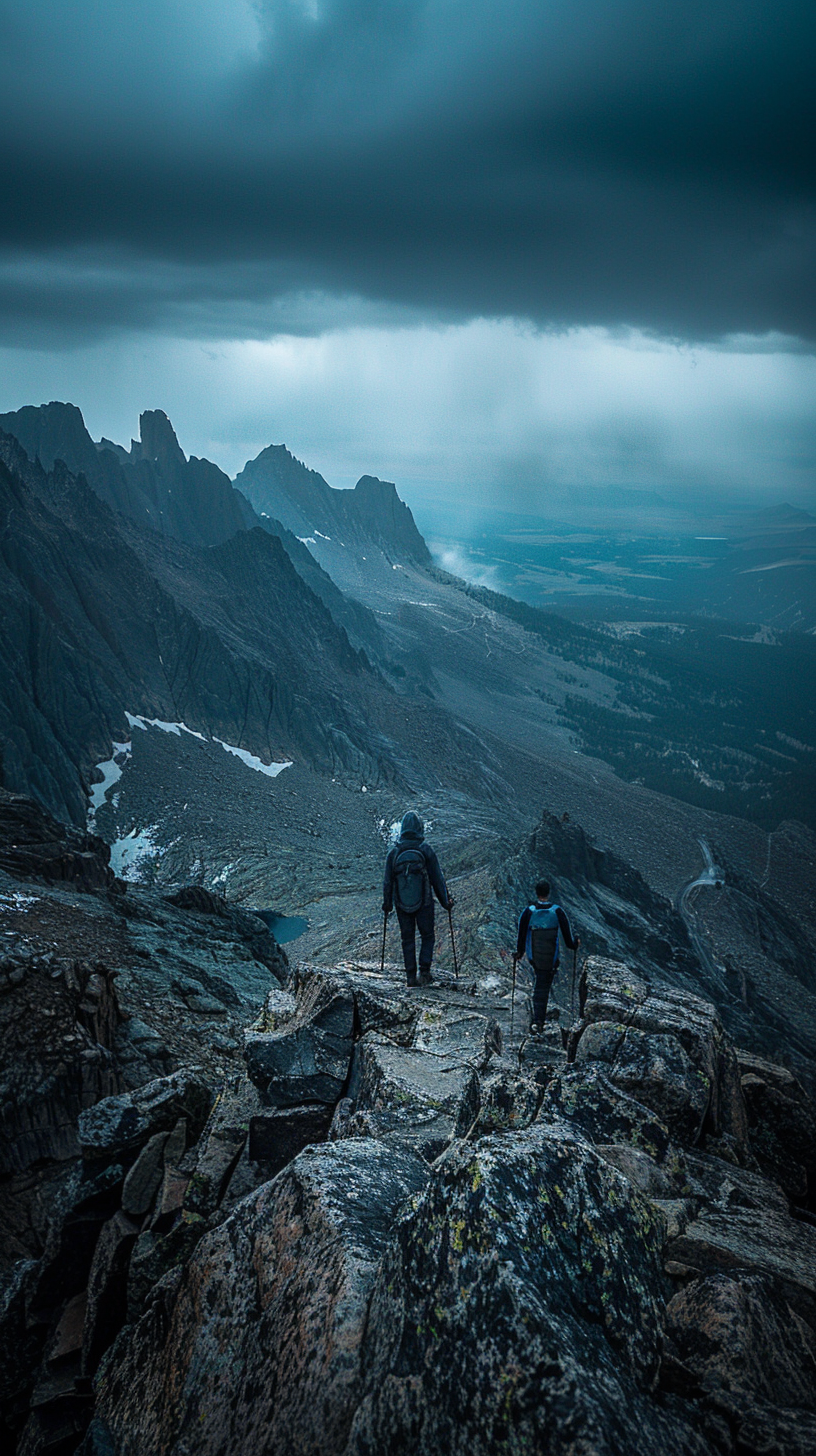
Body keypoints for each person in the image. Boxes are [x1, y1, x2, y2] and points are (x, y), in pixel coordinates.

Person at [383, 812, 453, 986]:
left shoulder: (394, 853)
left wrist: (387, 905)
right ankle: (425, 972)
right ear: (419, 828)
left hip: (401, 903)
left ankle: (410, 977)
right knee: (427, 935)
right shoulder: (425, 850)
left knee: (407, 938)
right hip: (425, 902)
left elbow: (387, 882)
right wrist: (446, 902)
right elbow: (437, 878)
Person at [514, 879, 580, 1032]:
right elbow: (569, 942)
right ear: (548, 893)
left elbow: (522, 935)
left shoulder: (528, 912)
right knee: (543, 986)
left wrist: (519, 953)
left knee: (539, 985)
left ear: (536, 893)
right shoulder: (557, 911)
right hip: (552, 958)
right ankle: (539, 1021)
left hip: (534, 957)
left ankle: (538, 1020)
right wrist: (576, 942)